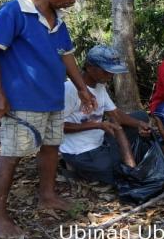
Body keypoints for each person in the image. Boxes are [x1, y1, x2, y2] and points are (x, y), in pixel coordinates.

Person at [0, 0, 98, 239]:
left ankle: (47, 195)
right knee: (12, 155)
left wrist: (82, 88)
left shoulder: (56, 20)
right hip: (22, 100)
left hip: (52, 98)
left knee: (51, 147)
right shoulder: (14, 11)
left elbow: (66, 55)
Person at [59, 45, 153, 185]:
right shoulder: (69, 89)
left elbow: (115, 114)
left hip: (100, 138)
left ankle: (114, 159)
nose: (111, 76)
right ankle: (71, 166)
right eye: (106, 72)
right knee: (110, 171)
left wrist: (139, 124)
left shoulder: (99, 86)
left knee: (141, 116)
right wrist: (98, 125)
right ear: (90, 68)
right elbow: (59, 125)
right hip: (79, 150)